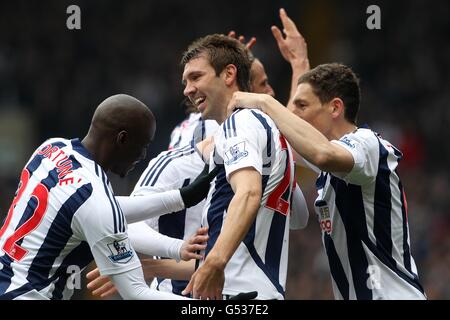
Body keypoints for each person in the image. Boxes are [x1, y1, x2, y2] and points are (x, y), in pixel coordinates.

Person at [227, 63, 427, 300]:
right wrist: (298, 64)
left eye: (302, 106)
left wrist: (265, 102)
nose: (295, 116)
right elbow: (288, 140)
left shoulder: (367, 144)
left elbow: (322, 154)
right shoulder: (335, 165)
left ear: (335, 108)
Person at [0, 94, 194, 300]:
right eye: (143, 145)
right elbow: (136, 293)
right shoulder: (95, 199)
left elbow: (95, 210)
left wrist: (181, 198)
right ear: (123, 139)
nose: (144, 155)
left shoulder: (50, 148)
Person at [178, 33, 304, 300]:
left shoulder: (239, 124)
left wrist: (215, 261)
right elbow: (300, 216)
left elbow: (248, 193)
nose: (187, 89)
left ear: (228, 74)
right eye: (186, 81)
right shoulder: (272, 132)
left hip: (235, 291)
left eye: (196, 77)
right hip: (261, 290)